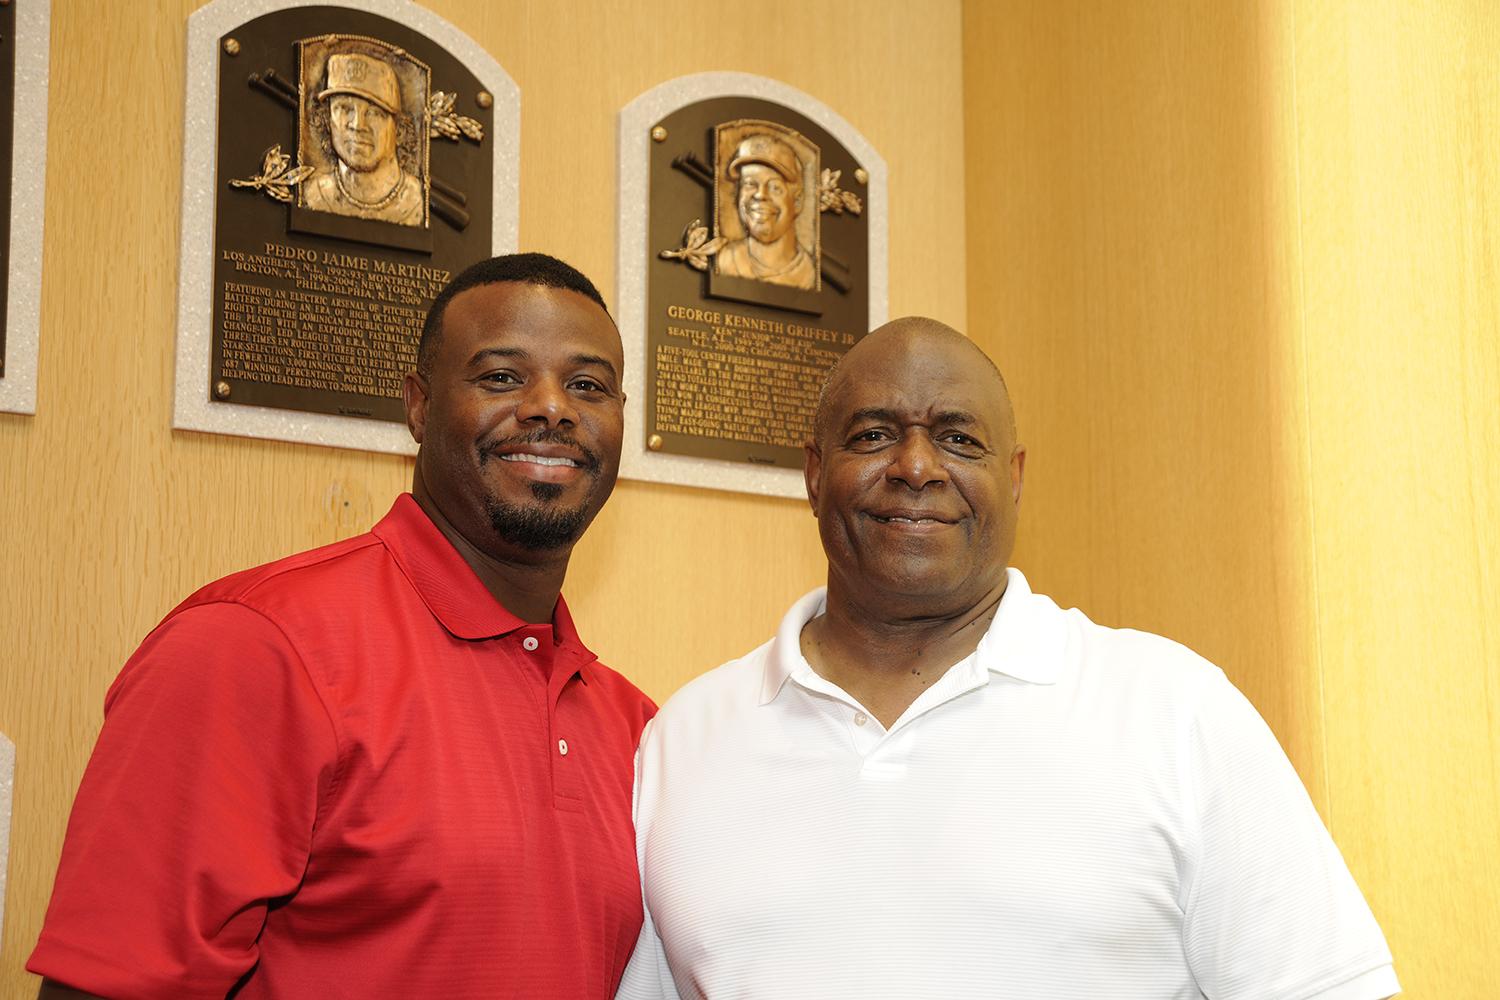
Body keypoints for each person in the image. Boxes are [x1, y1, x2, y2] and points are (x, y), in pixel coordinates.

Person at [618, 318, 1399, 999]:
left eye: (959, 438)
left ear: (1014, 479)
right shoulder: (685, 739)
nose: (917, 466)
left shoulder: (1175, 712)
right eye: (873, 435)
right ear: (815, 475)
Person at [30, 254, 655, 998]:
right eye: (500, 377)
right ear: (419, 407)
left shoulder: (637, 726)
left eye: (587, 385)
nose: (552, 406)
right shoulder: (254, 648)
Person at [302, 52, 425, 226]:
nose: (358, 125)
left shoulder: (417, 203)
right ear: (327, 121)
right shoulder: (313, 196)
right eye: (344, 108)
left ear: (399, 130)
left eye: (375, 113)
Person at [714, 133, 816, 289]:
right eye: (750, 184)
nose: (760, 195)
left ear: (797, 202)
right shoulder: (724, 260)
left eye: (775, 187)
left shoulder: (810, 274)